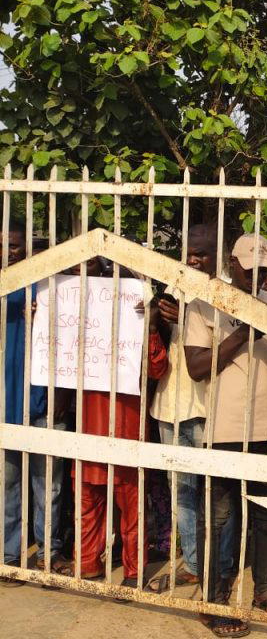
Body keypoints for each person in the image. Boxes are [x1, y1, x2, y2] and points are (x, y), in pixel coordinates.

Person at [183, 233, 267, 637]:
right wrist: (244, 332)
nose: (259, 280)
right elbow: (197, 367)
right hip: (222, 427)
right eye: (251, 271)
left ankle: (263, 597)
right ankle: (214, 597)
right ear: (232, 266)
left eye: (266, 273)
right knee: (219, 517)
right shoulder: (204, 302)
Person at [77, 280, 169, 587]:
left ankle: (133, 571)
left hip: (126, 427)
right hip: (89, 425)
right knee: (89, 501)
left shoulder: (141, 326)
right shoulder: (80, 318)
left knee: (129, 505)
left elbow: (157, 369)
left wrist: (152, 327)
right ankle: (89, 562)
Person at [148, 224, 218, 587]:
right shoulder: (171, 288)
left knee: (213, 491)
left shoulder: (224, 293)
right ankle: (193, 562)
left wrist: (189, 316)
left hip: (209, 406)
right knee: (182, 490)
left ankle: (219, 561)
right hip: (169, 403)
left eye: (202, 253)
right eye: (189, 253)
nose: (193, 259)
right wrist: (157, 317)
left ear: (216, 257)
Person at [2, 227, 71, 583]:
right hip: (5, 406)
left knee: (49, 488)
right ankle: (9, 556)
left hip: (45, 402)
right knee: (8, 487)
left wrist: (63, 393)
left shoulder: (50, 286)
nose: (8, 252)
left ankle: (49, 552)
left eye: (14, 245)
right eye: (3, 246)